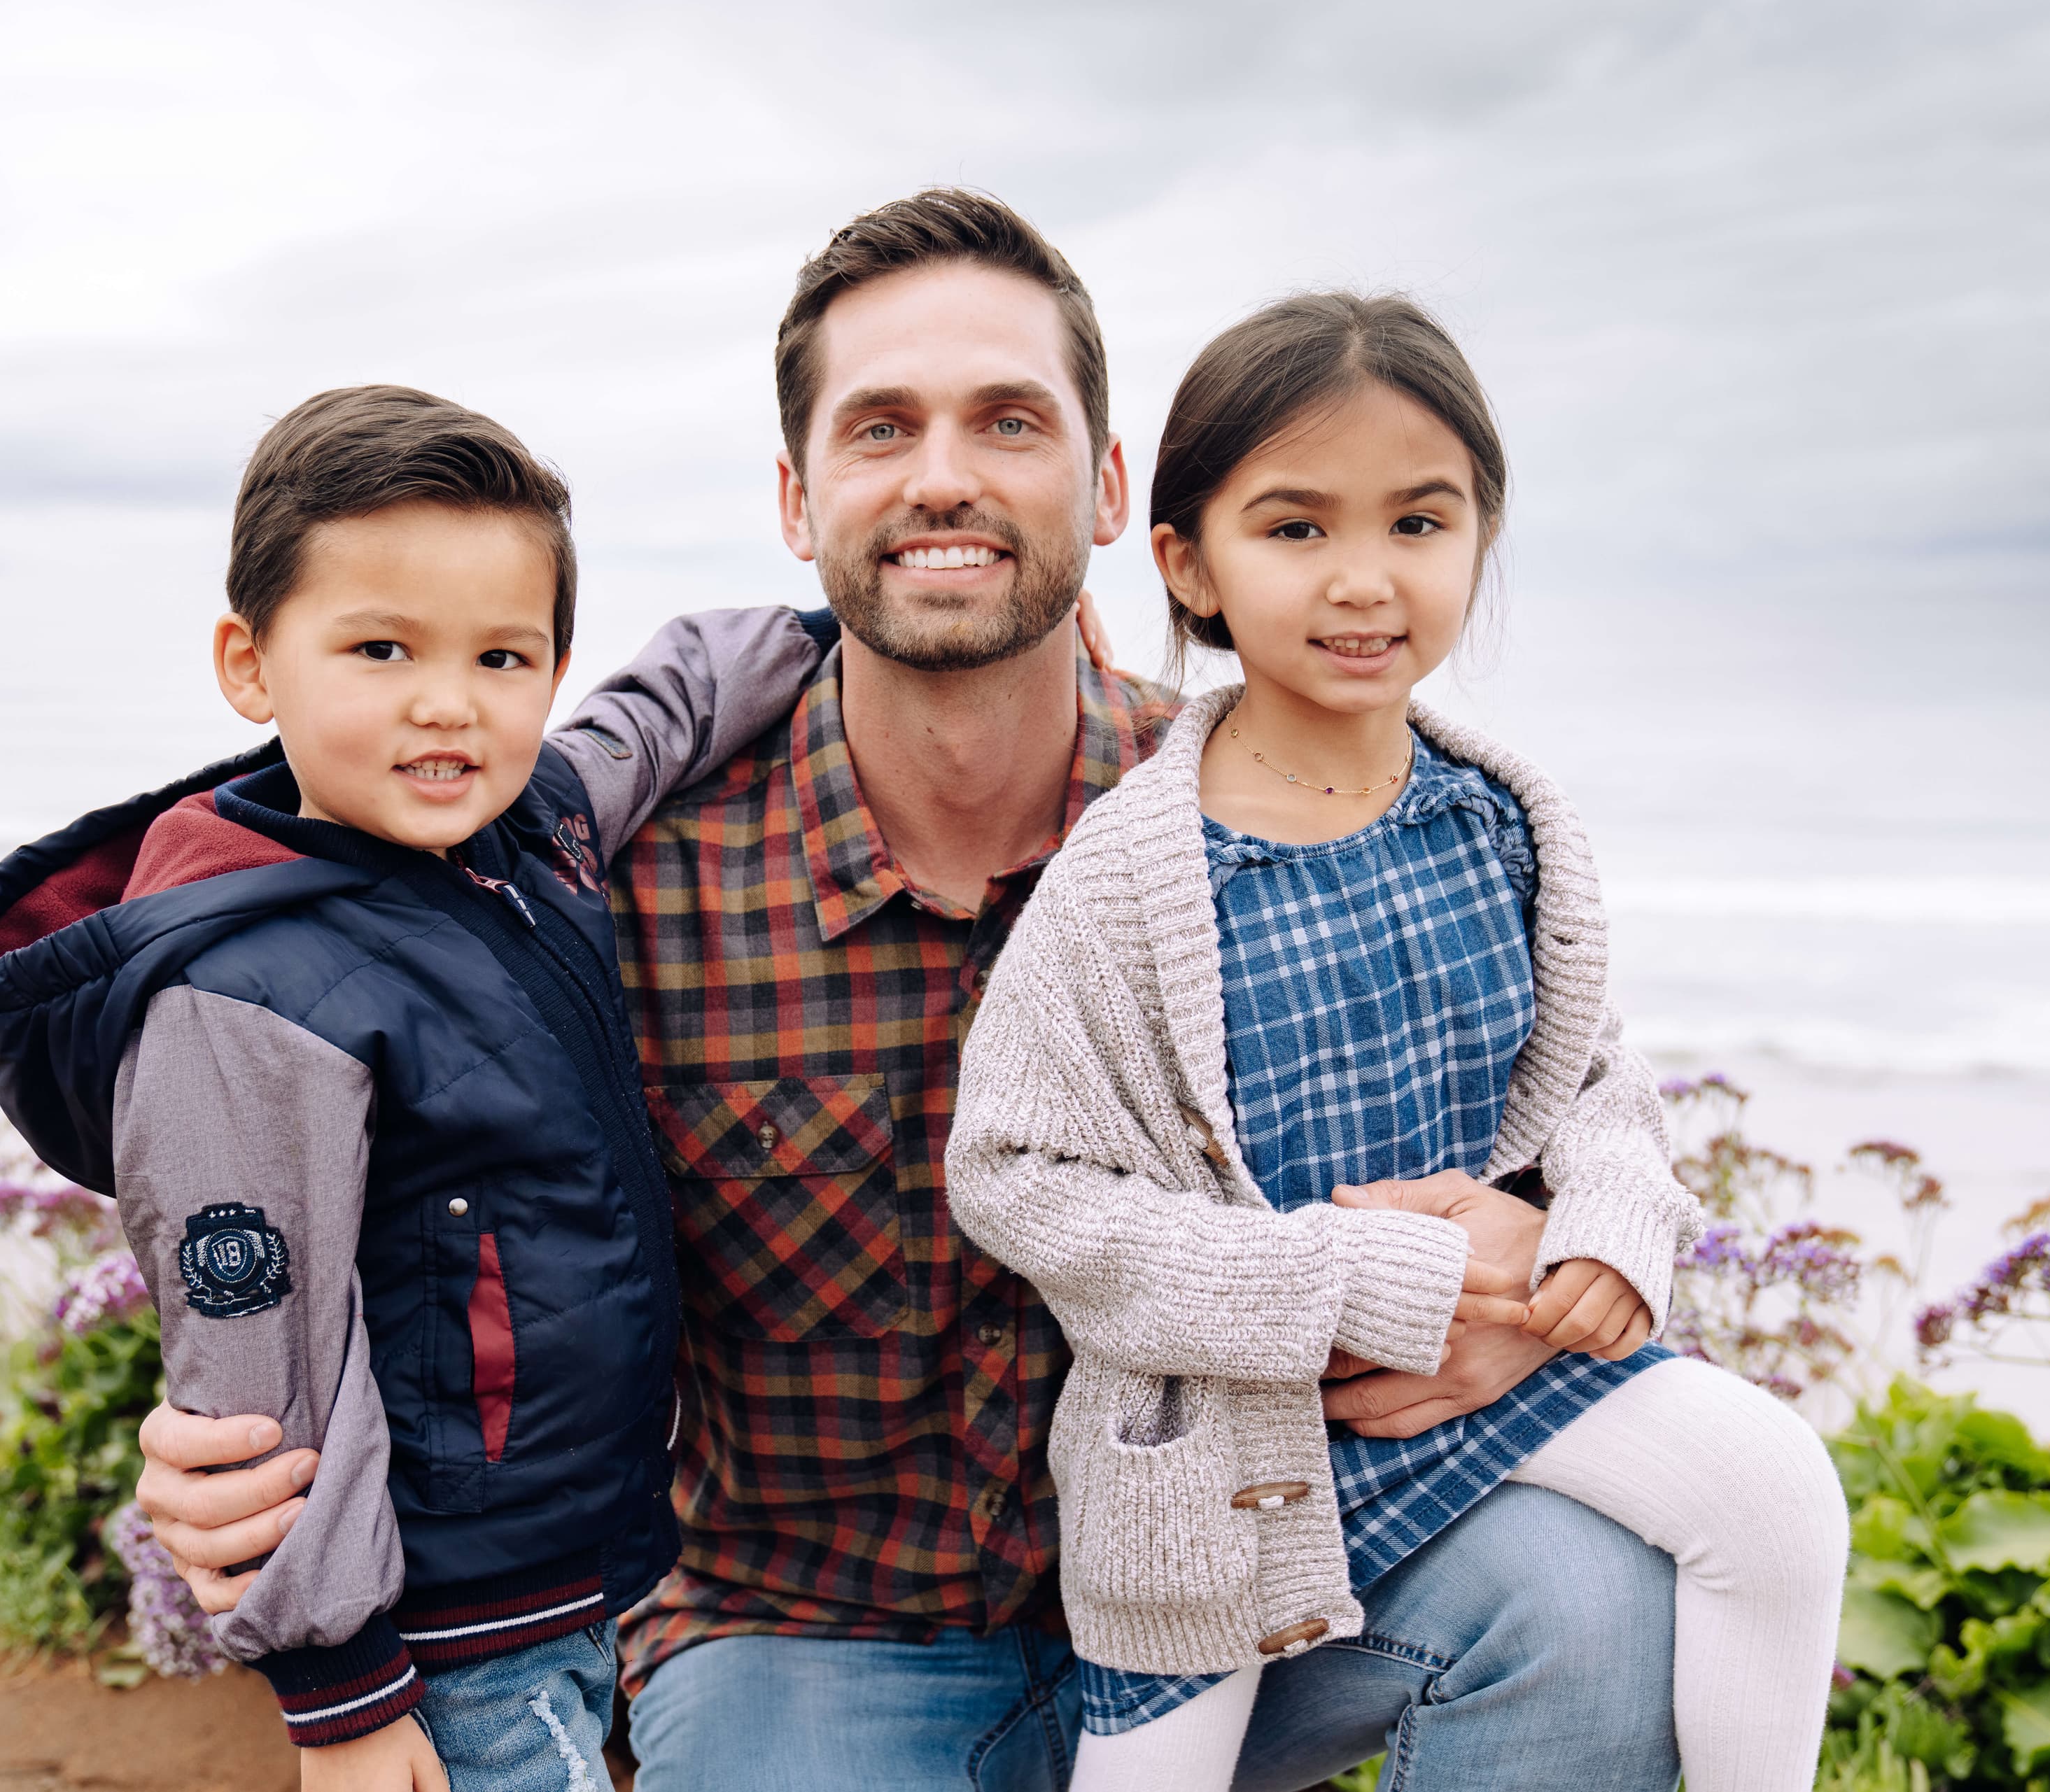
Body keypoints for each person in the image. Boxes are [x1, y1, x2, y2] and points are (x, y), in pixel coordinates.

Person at [130, 192, 1697, 1791]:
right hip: (806, 1646)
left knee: (1588, 1597)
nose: (944, 474)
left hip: (1237, 1590)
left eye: (1007, 419)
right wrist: (230, 1464)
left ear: (1101, 491)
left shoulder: (1274, 827)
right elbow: (378, 1204)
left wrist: (1538, 1282)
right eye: (883, 427)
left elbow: (1563, 1101)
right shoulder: (629, 889)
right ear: (803, 503)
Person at [946, 292, 1853, 1792]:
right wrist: (1350, 1283)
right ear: (1190, 565)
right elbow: (1019, 1178)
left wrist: (1613, 1231)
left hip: (1494, 1377)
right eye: (1297, 529)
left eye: (1419, 526)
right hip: (1218, 1471)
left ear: (1478, 540)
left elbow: (1592, 1078)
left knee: (1775, 1490)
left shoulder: (1498, 819)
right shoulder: (1129, 876)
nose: (1364, 583)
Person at [0, 385, 829, 1791]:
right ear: (250, 663)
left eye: (503, 657)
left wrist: (837, 642)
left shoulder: (530, 833)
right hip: (439, 1638)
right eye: (380, 647)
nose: (447, 704)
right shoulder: (239, 995)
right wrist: (340, 1698)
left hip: (579, 1569)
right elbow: (254, 1388)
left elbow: (663, 710)